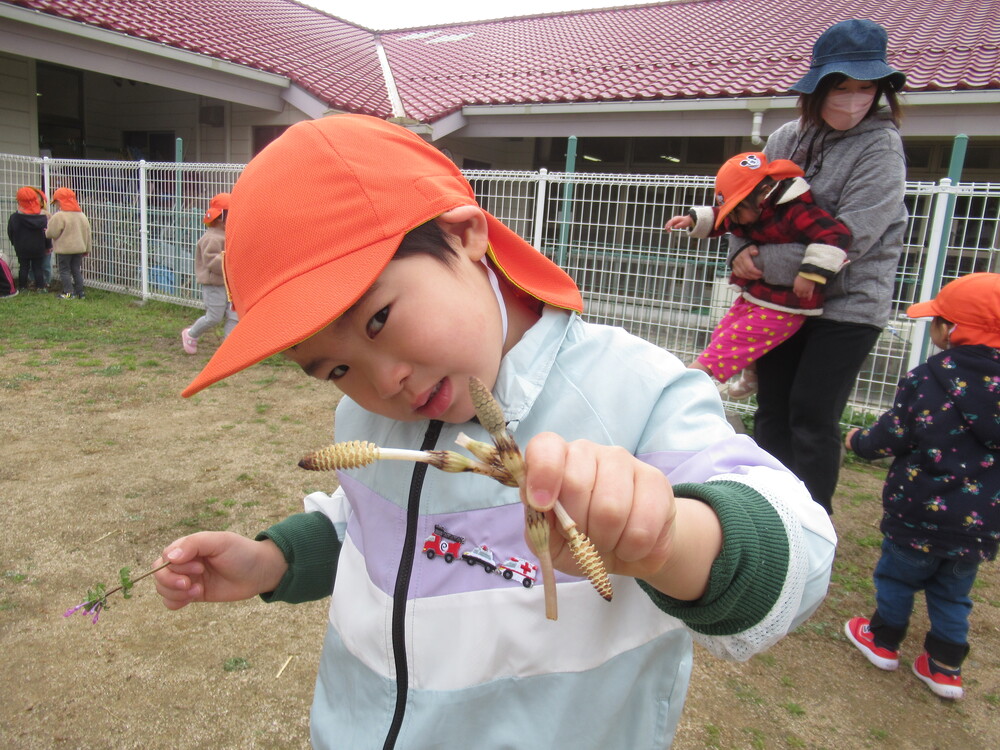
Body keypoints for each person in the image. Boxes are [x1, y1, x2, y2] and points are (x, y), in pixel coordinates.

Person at [151, 114, 836, 750]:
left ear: (463, 236)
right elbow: (372, 528)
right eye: (333, 367)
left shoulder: (631, 392)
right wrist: (275, 561)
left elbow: (799, 555)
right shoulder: (366, 419)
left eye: (379, 320)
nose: (381, 380)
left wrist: (670, 540)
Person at [729, 18, 908, 514]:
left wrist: (762, 261)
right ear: (817, 88)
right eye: (840, 87)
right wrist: (738, 252)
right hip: (779, 302)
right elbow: (745, 203)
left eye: (865, 88)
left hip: (848, 304)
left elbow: (855, 235)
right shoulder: (787, 138)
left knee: (811, 415)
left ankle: (810, 527)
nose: (852, 100)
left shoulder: (881, 147)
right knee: (773, 412)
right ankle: (767, 513)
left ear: (881, 90)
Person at [843, 273, 1000, 701]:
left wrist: (858, 441)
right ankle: (945, 667)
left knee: (896, 579)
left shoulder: (929, 377)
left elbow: (894, 433)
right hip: (979, 525)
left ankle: (883, 640)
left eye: (937, 320)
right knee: (953, 595)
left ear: (952, 330)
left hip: (917, 513)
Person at [665, 151, 850, 398]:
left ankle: (685, 381)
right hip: (758, 294)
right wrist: (692, 219)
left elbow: (835, 236)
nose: (733, 219)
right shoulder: (752, 210)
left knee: (735, 340)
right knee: (723, 332)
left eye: (736, 211)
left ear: (764, 194)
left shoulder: (796, 212)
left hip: (787, 305)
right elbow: (722, 216)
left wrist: (811, 274)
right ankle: (751, 375)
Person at [181, 193, 238, 354]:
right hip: (214, 285)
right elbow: (212, 262)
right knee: (214, 317)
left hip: (229, 285)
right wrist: (230, 261)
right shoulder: (212, 238)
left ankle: (229, 348)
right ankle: (191, 334)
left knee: (235, 316)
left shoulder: (227, 235)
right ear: (220, 218)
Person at [46, 187, 92, 300]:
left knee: (64, 270)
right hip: (79, 248)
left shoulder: (59, 216)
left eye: (56, 202)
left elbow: (52, 233)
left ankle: (68, 293)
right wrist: (87, 248)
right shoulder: (82, 215)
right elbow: (88, 233)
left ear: (60, 201)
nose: (56, 205)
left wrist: (46, 232)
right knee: (76, 269)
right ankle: (80, 293)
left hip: (64, 249)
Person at [6, 186, 50, 292]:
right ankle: (40, 287)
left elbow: (10, 232)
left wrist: (14, 242)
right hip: (38, 247)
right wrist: (48, 246)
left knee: (23, 267)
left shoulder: (14, 217)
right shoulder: (42, 218)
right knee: (37, 267)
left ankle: (22, 287)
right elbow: (46, 233)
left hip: (21, 246)